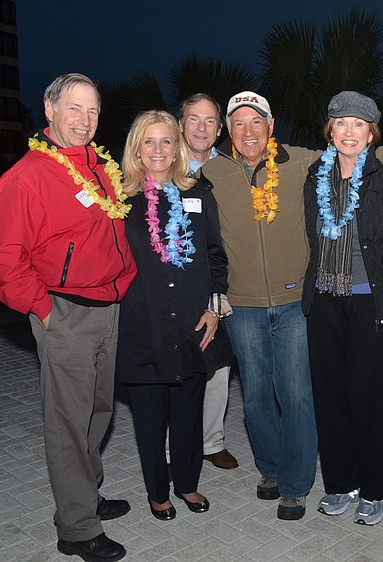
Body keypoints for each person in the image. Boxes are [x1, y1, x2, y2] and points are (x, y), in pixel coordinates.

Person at [203, 90, 383, 520]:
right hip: (282, 304)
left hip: (334, 303)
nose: (248, 131)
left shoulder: (319, 166)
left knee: (330, 398)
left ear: (271, 126)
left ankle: (334, 488)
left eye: (257, 121)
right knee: (290, 397)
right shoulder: (224, 173)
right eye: (239, 123)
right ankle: (304, 476)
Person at [0, 73, 136, 562]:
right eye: (74, 108)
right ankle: (76, 528)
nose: (84, 120)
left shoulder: (99, 167)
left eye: (92, 111)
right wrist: (46, 311)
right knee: (69, 422)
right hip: (66, 312)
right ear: (49, 110)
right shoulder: (26, 177)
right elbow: (2, 261)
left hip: (108, 308)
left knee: (98, 413)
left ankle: (85, 495)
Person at [302, 91, 383, 526]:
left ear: (372, 134)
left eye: (359, 124)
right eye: (341, 123)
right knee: (331, 398)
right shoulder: (314, 176)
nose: (349, 132)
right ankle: (340, 483)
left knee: (371, 401)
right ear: (330, 130)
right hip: (324, 302)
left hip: (376, 305)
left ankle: (373, 491)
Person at [115, 110, 227, 522]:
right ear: (136, 149)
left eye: (166, 141)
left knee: (187, 414)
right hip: (142, 325)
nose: (158, 149)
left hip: (192, 324)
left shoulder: (198, 192)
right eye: (149, 141)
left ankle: (187, 483)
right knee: (149, 418)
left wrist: (214, 308)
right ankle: (157, 492)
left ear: (177, 147)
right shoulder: (119, 199)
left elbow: (215, 257)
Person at [177, 93, 238, 471]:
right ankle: (174, 449)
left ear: (219, 130)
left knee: (217, 366)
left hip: (219, 280)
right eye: (193, 119)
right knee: (177, 367)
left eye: (209, 120)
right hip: (176, 283)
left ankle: (212, 442)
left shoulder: (230, 169)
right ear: (180, 124)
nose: (201, 127)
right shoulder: (163, 163)